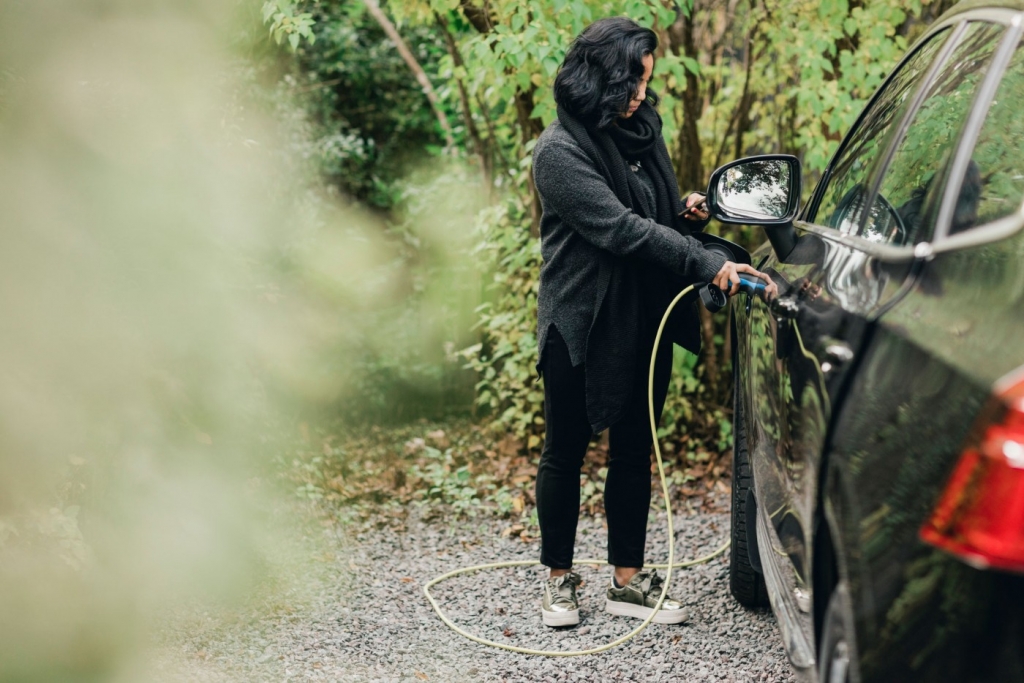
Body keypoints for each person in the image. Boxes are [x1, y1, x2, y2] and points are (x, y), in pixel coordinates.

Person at [530, 16, 772, 628]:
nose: (641, 96)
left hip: (644, 315)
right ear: (600, 79)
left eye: (645, 84)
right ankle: (559, 581)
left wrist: (683, 211)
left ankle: (627, 582)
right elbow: (619, 229)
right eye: (632, 84)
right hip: (581, 322)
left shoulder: (641, 131)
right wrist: (701, 260)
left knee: (635, 449)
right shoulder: (558, 152)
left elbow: (652, 216)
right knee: (566, 452)